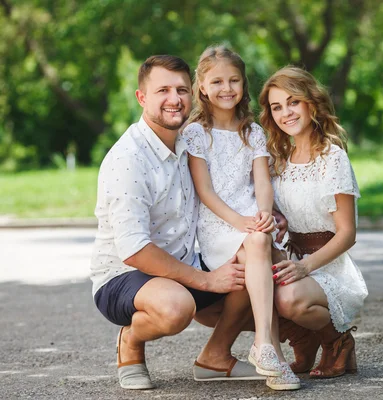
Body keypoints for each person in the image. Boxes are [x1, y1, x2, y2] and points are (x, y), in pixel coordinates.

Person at [90, 55, 266, 390]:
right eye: (163, 91)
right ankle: (130, 342)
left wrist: (270, 217)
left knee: (250, 262)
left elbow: (234, 186)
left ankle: (215, 356)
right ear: (142, 98)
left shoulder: (191, 141)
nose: (175, 99)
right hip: (124, 276)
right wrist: (206, 281)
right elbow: (134, 250)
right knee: (175, 308)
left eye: (182, 89)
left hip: (181, 266)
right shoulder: (129, 159)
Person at [181, 46, 300, 391]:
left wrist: (263, 213)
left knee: (260, 241)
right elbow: (205, 191)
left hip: (251, 218)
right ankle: (270, 347)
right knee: (260, 243)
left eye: (234, 80)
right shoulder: (195, 133)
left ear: (243, 83)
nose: (226, 88)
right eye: (217, 81)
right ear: (201, 86)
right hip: (218, 224)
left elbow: (262, 181)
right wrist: (241, 222)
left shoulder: (253, 132)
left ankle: (268, 350)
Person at [258, 66, 369, 378]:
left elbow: (347, 233)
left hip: (330, 267)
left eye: (293, 102)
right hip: (293, 258)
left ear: (311, 103)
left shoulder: (332, 158)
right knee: (253, 292)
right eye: (276, 107)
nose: (286, 113)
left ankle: (339, 342)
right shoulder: (277, 159)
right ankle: (302, 343)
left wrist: (306, 267)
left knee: (289, 299)